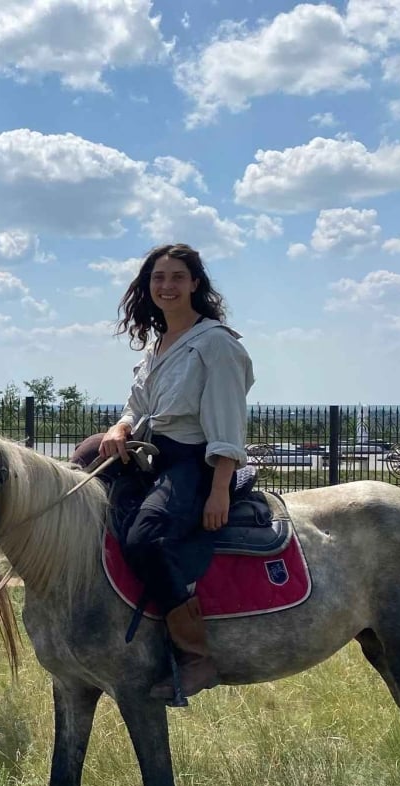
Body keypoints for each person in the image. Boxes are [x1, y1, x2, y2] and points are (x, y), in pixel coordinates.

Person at [99, 244, 255, 703]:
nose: (166, 286)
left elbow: (227, 424)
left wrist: (219, 490)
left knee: (145, 537)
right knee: (81, 471)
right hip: (153, 450)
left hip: (195, 457)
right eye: (158, 278)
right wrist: (120, 426)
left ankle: (195, 655)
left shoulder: (216, 344)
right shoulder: (158, 343)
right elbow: (137, 405)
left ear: (195, 284)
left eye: (176, 277)